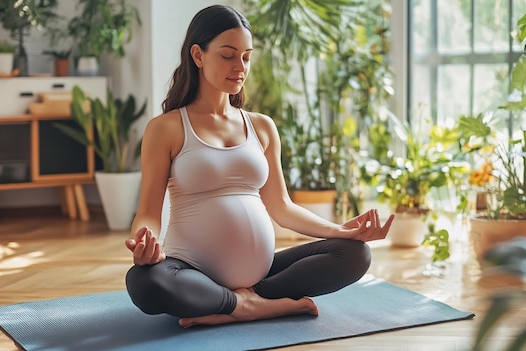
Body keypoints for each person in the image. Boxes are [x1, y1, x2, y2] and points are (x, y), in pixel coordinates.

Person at [124, 4, 394, 328]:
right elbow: (149, 211)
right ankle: (253, 306)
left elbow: (281, 207)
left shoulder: (262, 126)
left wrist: (341, 231)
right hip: (191, 271)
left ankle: (239, 303)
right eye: (227, 55)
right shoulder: (166, 127)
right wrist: (145, 242)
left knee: (356, 253)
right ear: (198, 55)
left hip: (263, 275)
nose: (240, 66)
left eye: (246, 56)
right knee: (144, 281)